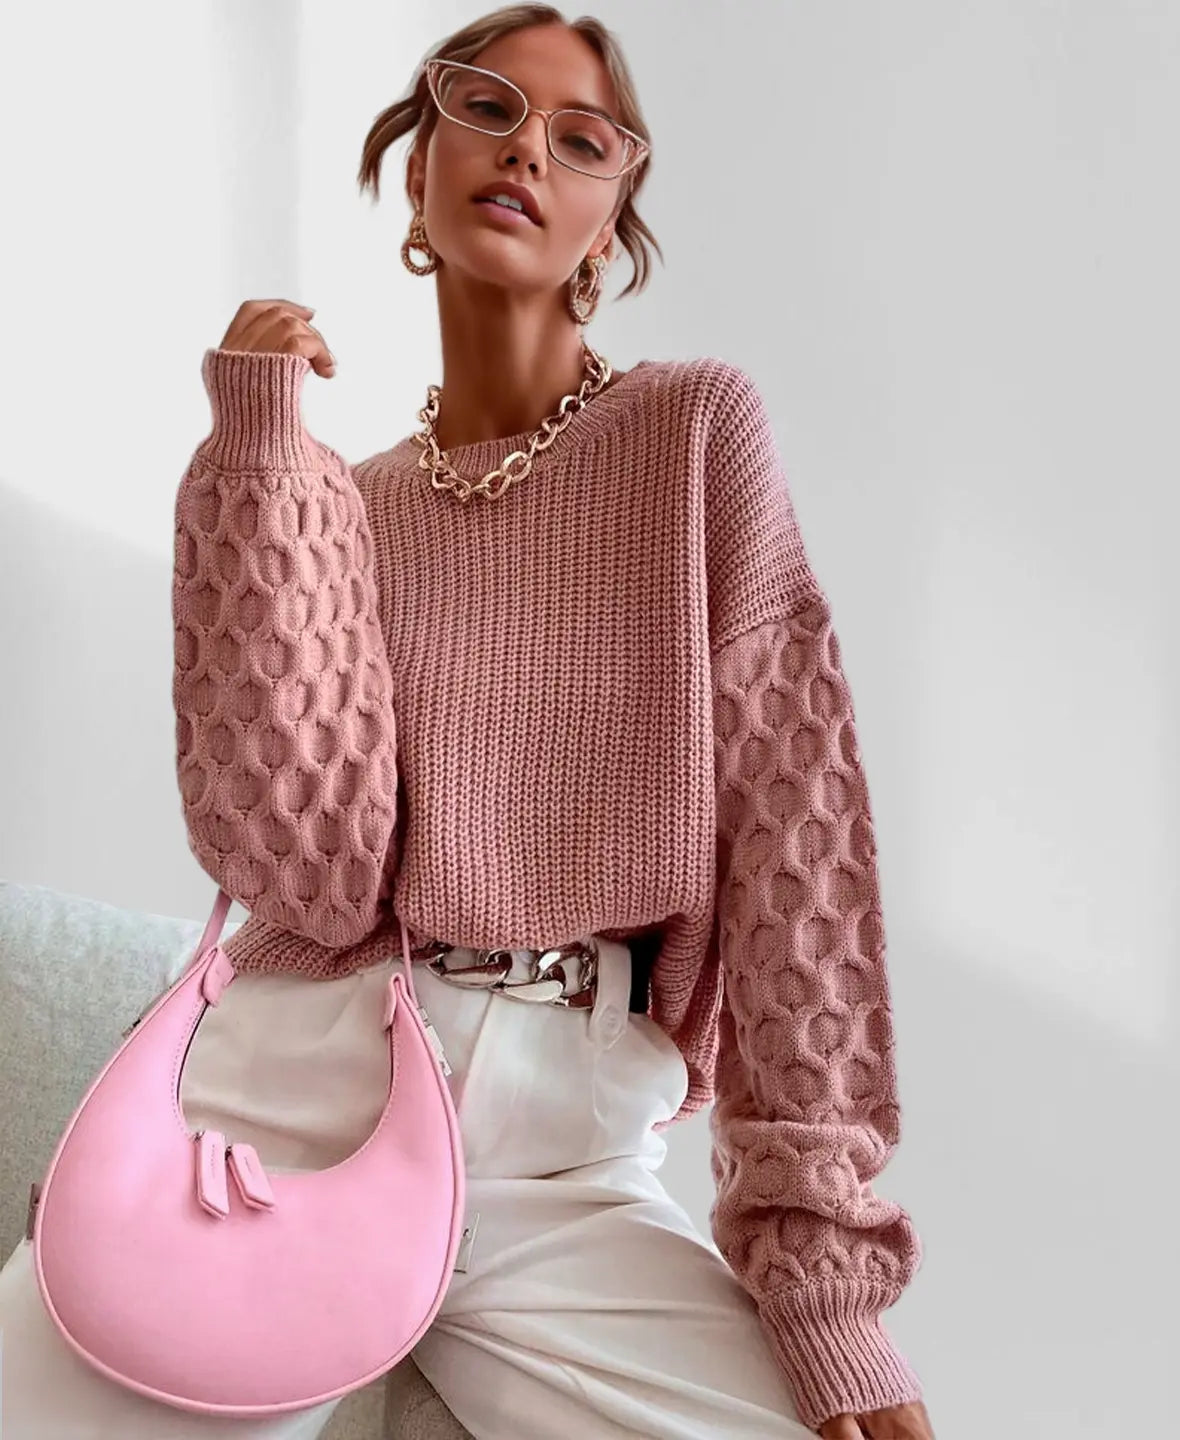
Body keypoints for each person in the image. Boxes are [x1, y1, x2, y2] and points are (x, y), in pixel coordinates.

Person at [0, 7, 936, 1438]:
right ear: (420, 163)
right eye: (487, 108)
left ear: (614, 214)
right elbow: (311, 870)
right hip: (297, 1090)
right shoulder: (343, 500)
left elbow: (797, 854)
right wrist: (263, 466)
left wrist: (823, 1277)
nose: (528, 152)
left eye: (582, 138)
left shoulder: (696, 438)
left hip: (571, 1145)